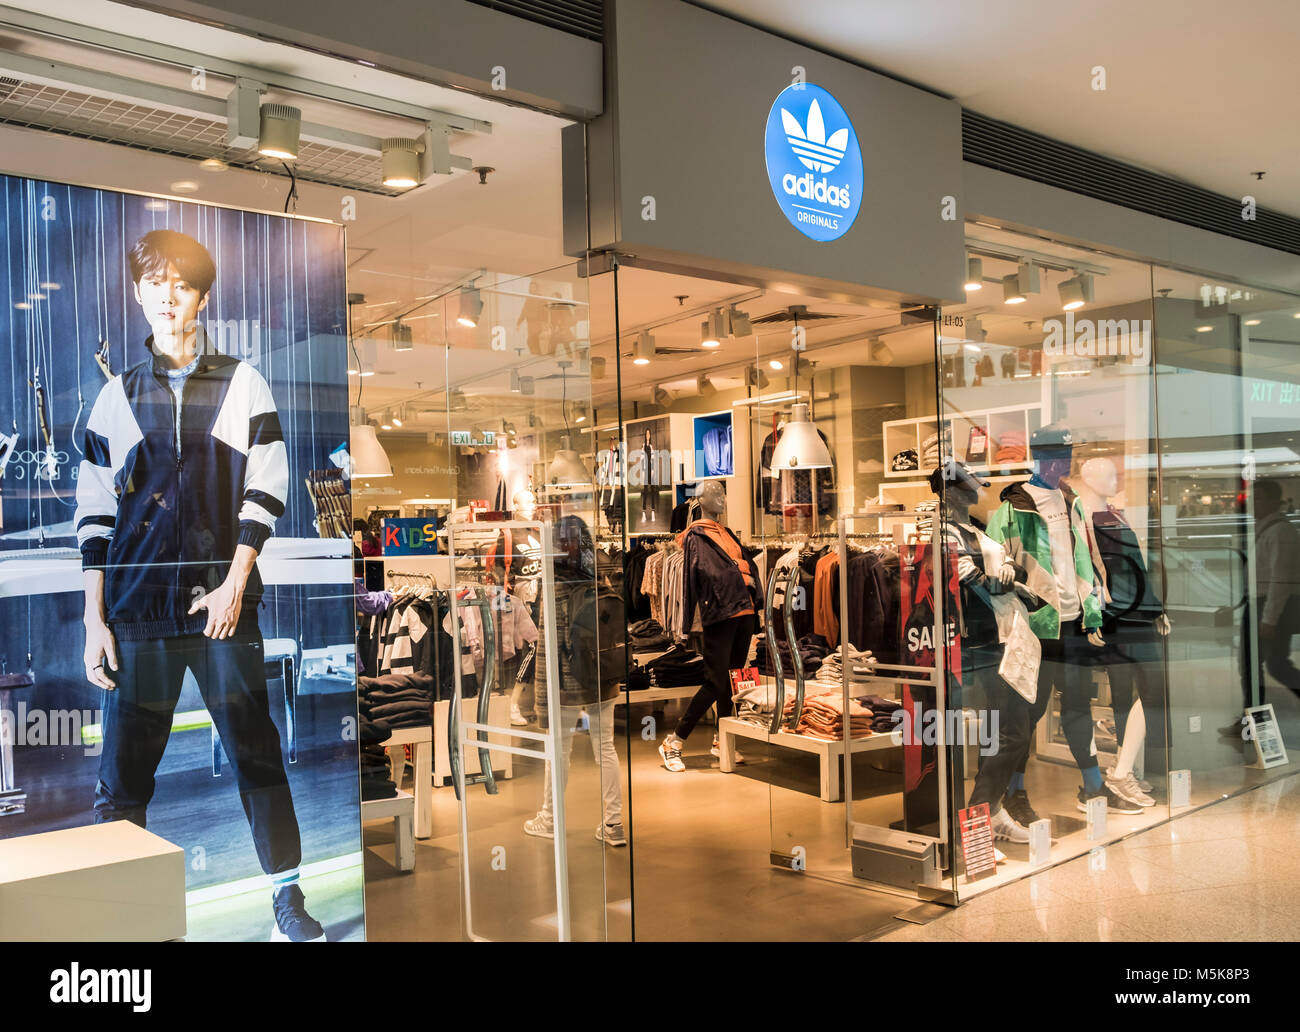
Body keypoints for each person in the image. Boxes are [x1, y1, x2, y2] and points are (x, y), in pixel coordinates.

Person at [75, 229, 325, 941]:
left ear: (201, 296)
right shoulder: (113, 398)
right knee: (123, 779)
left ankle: (287, 900)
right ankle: (125, 919)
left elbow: (266, 490)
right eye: (152, 282)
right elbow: (93, 519)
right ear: (136, 293)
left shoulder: (242, 382)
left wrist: (235, 584)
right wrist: (96, 622)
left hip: (224, 607)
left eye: (180, 283)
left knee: (257, 756)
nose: (165, 294)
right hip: (135, 613)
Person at [523, 516, 626, 846]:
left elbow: (546, 650)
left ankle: (550, 818)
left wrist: (541, 702)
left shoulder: (555, 585)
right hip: (602, 676)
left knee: (560, 752)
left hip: (567, 683)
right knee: (606, 749)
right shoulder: (602, 576)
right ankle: (614, 825)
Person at [1243, 478, 1300, 702]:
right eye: (1251, 498)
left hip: (1269, 606)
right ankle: (1251, 716)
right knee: (1253, 664)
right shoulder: (1265, 528)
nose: (1252, 503)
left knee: (1273, 664)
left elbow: (1281, 579)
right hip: (1260, 604)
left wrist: (1269, 618)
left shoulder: (1280, 532)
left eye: (1258, 498)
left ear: (1274, 501)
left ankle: (1252, 717)